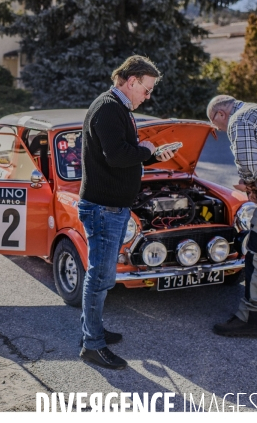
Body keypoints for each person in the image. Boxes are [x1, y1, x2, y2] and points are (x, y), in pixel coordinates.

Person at [78, 55, 175, 370]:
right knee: (101, 277)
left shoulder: (115, 107)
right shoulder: (109, 108)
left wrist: (154, 156)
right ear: (131, 81)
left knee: (103, 276)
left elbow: (123, 157)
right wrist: (146, 150)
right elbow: (117, 156)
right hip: (104, 208)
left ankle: (92, 331)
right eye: (146, 90)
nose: (148, 97)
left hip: (111, 207)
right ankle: (92, 345)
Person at [208, 95, 257, 337]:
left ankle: (251, 318)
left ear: (220, 114)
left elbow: (248, 162)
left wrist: (250, 187)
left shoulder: (238, 120)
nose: (219, 130)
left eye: (216, 126)